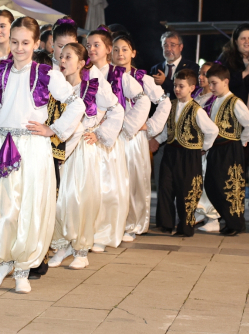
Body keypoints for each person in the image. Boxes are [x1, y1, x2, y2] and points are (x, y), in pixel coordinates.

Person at [0, 17, 84, 293]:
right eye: (14, 42)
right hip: (5, 147)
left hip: (33, 148)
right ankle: (4, 260)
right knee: (3, 206)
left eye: (25, 42)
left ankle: (22, 268)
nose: (19, 48)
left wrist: (53, 129)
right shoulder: (0, 72)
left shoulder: (47, 74)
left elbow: (76, 104)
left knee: (30, 208)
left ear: (36, 43)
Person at [50, 43, 121, 269]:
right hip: (58, 147)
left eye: (68, 57)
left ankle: (81, 249)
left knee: (79, 198)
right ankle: (61, 244)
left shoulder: (91, 87)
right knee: (57, 198)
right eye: (61, 56)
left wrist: (99, 133)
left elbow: (116, 109)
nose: (63, 61)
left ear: (81, 63)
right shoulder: (56, 88)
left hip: (81, 149)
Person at [85, 28, 140, 252]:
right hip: (87, 138)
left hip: (108, 138)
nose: (91, 49)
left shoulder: (119, 75)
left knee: (108, 187)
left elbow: (143, 100)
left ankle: (104, 233)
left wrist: (127, 126)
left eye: (96, 45)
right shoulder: (83, 72)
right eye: (88, 45)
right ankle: (86, 231)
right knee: (89, 186)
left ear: (108, 49)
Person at [112, 34, 166, 239]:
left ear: (133, 53)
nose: (120, 53)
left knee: (134, 181)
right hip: (111, 136)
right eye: (116, 49)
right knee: (113, 181)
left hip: (134, 138)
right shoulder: (106, 76)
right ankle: (113, 223)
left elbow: (164, 102)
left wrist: (150, 126)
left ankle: (133, 225)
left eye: (125, 49)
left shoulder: (143, 78)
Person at [155, 69, 218, 235]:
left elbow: (212, 130)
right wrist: (157, 141)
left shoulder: (196, 110)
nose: (177, 89)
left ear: (191, 88)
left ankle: (185, 226)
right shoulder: (171, 105)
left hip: (189, 154)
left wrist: (203, 147)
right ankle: (166, 223)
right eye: (175, 85)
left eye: (181, 86)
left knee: (187, 191)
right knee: (165, 187)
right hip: (170, 151)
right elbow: (166, 129)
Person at [203, 63, 249, 236]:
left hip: (229, 148)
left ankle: (236, 223)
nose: (211, 87)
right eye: (210, 83)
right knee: (212, 185)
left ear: (225, 81)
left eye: (214, 83)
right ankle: (228, 220)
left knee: (230, 186)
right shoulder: (215, 101)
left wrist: (242, 141)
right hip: (216, 148)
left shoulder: (235, 102)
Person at [191, 62, 221, 231]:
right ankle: (199, 211)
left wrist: (205, 145)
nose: (201, 77)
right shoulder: (195, 94)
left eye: (205, 74)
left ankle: (213, 218)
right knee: (196, 180)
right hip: (193, 146)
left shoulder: (216, 99)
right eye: (200, 73)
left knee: (209, 179)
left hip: (208, 146)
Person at [149, 31, 199, 99]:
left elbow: (192, 91)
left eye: (172, 45)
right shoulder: (155, 68)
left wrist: (164, 82)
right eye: (165, 45)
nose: (168, 49)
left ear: (181, 47)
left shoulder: (191, 67)